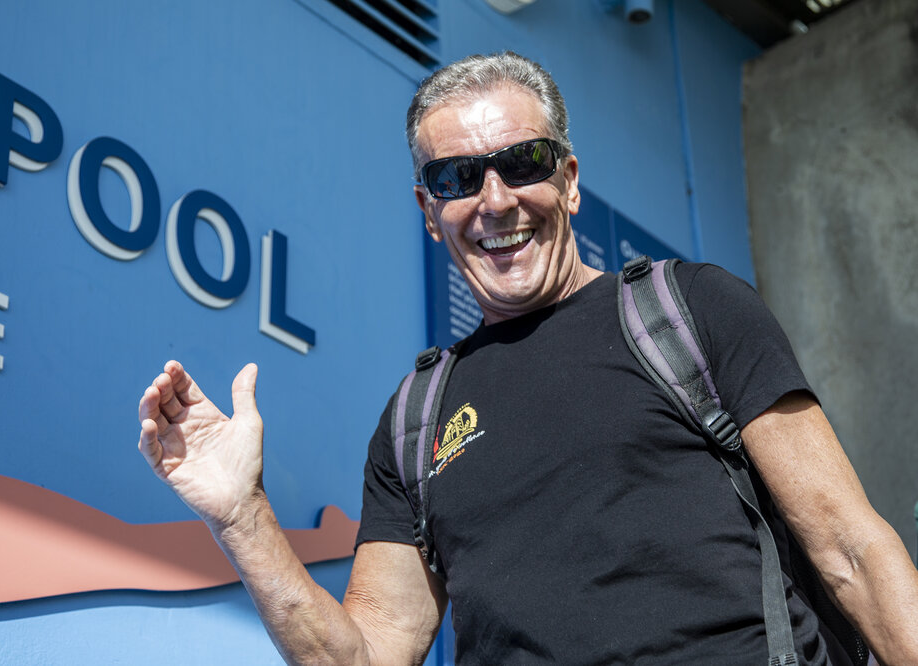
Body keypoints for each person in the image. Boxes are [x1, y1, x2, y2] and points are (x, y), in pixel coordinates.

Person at [138, 52, 918, 664]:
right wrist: (242, 517)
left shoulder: (690, 310)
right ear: (427, 211)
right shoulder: (416, 420)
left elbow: (848, 547)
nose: (495, 199)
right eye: (456, 177)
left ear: (569, 181)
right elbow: (364, 657)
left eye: (523, 162)